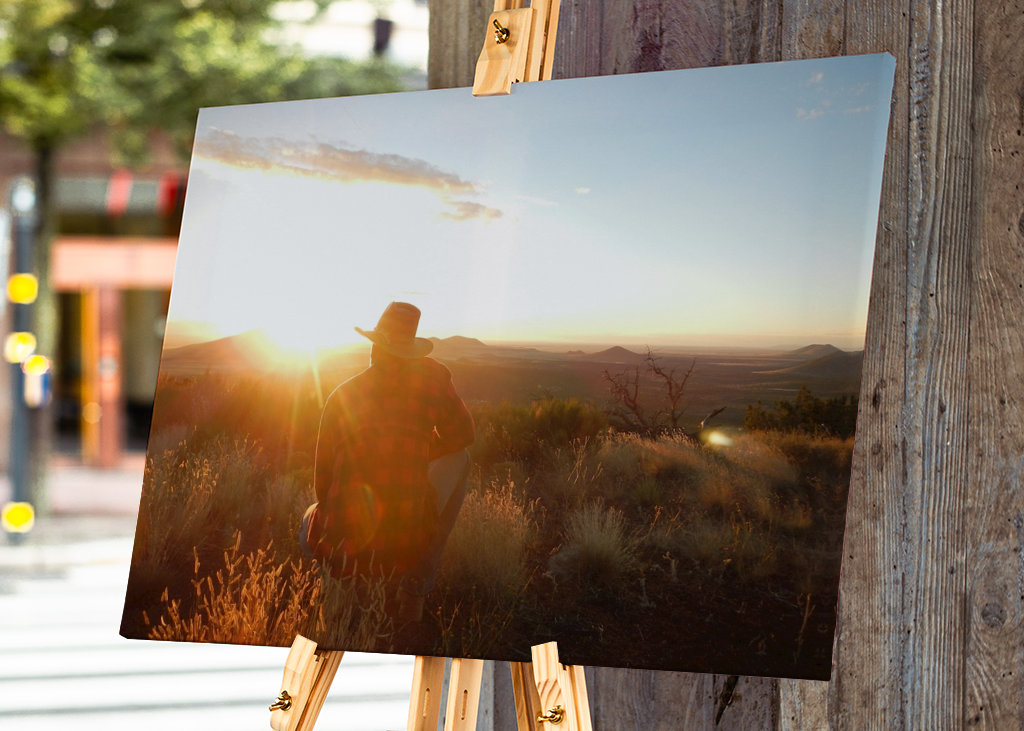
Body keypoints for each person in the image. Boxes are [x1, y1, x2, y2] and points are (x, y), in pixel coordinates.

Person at [302, 302, 475, 623]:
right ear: (411, 349)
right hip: (406, 542)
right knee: (461, 458)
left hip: (345, 544)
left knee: (309, 517)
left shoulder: (342, 395)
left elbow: (322, 486)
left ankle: (336, 587)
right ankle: (415, 586)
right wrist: (419, 449)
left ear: (374, 345)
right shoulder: (433, 379)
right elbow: (464, 435)